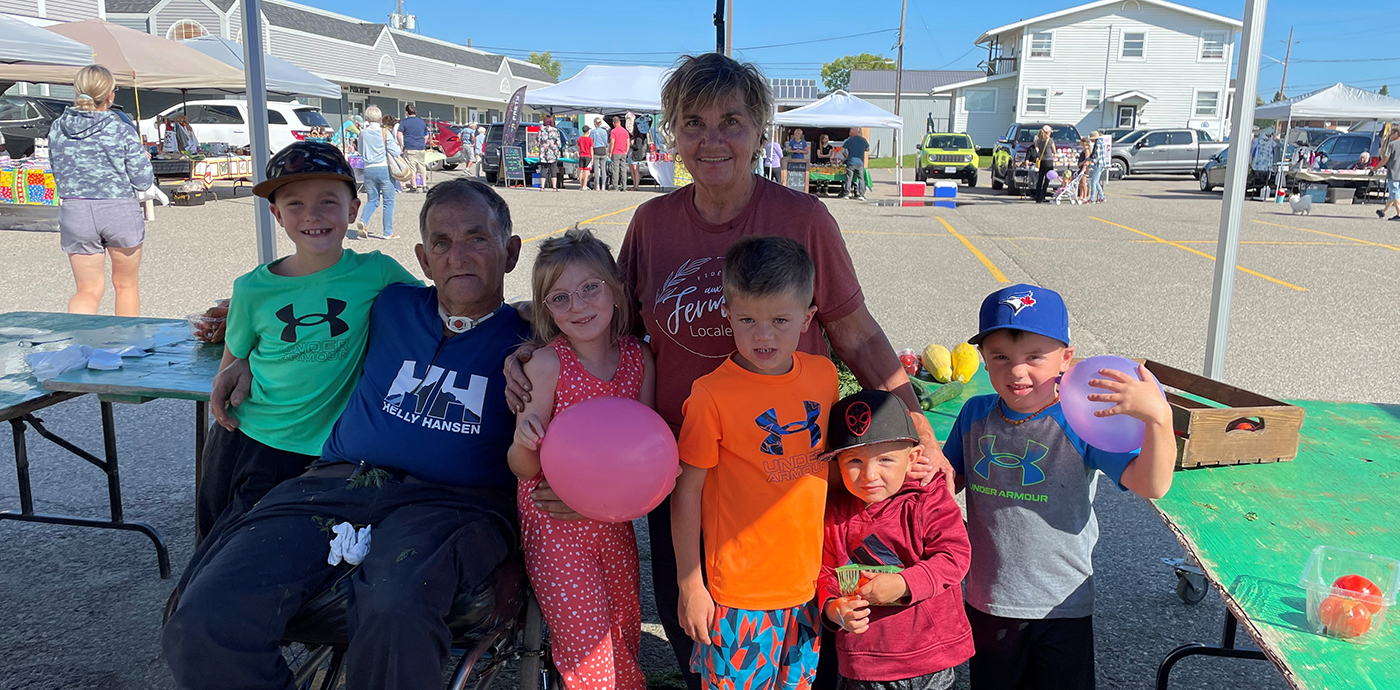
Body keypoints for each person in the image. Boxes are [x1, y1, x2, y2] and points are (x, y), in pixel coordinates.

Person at [503, 54, 953, 690]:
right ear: (673, 134)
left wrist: (919, 428)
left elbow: (856, 332)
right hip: (679, 468)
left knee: (802, 626)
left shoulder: (802, 219)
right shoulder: (653, 224)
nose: (712, 139)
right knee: (700, 632)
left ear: (760, 131)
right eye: (693, 122)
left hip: (784, 468)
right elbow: (610, 321)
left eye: (731, 121)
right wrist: (530, 345)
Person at [163, 179, 532, 690]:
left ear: (510, 252)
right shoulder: (389, 304)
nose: (458, 256)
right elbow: (297, 301)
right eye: (442, 244)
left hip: (454, 505)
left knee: (395, 607)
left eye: (478, 239)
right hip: (335, 484)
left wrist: (539, 321)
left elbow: (608, 327)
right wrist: (242, 355)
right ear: (424, 261)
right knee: (202, 613)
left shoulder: (535, 339)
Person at [943, 284, 1176, 690]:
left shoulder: (1082, 420)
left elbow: (1151, 484)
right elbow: (947, 483)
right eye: (1001, 357)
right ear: (983, 358)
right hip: (989, 600)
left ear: (1067, 358)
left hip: (1062, 604)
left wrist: (1158, 419)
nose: (1018, 371)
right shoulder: (975, 413)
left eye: (1035, 357)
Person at [192, 141, 419, 544]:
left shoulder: (378, 272)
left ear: (352, 209)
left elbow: (437, 310)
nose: (312, 216)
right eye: (294, 204)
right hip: (252, 439)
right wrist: (236, 369)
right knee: (227, 546)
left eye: (328, 202)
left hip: (332, 449)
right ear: (277, 215)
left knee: (306, 548)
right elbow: (232, 363)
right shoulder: (251, 289)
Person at [675, 236, 836, 690]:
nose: (763, 335)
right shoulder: (711, 396)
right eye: (747, 319)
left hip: (805, 587)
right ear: (728, 314)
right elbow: (685, 493)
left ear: (807, 319)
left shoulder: (823, 377)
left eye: (779, 320)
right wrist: (691, 584)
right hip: (737, 596)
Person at [509, 227, 654, 690]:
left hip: (613, 521)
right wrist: (524, 442)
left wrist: (616, 501)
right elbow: (524, 469)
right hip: (555, 526)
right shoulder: (547, 365)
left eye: (591, 288)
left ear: (614, 287)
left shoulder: (639, 358)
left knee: (624, 631)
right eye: (560, 298)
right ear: (545, 308)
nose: (580, 306)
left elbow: (647, 449)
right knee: (585, 648)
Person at [819, 389, 974, 690]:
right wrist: (833, 608)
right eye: (854, 461)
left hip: (928, 658)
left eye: (886, 459)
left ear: (913, 457)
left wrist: (903, 585)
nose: (869, 475)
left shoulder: (927, 497)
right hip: (862, 661)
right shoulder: (834, 512)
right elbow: (824, 572)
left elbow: (955, 555)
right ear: (836, 464)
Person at [47, 64, 156, 317]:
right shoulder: (120, 129)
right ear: (110, 95)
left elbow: (55, 170)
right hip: (118, 210)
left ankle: (81, 347)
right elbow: (142, 180)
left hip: (76, 210)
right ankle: (126, 349)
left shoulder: (57, 128)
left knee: (87, 289)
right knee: (126, 286)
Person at [355, 105, 400, 240]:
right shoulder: (384, 132)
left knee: (372, 200)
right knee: (388, 201)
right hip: (384, 168)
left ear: (367, 118)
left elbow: (360, 150)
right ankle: (387, 232)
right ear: (380, 119)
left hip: (368, 169)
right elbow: (396, 151)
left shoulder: (363, 133)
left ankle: (363, 221)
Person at [399, 103, 430, 192]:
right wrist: (423, 142)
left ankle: (414, 186)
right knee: (422, 166)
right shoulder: (422, 122)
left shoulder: (404, 122)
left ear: (406, 112)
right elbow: (426, 135)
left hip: (410, 147)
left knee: (412, 167)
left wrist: (401, 145)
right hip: (420, 147)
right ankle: (424, 185)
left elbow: (399, 134)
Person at [1375, 127, 1400, 220]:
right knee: (1393, 194)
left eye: (1392, 133)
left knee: (1395, 192)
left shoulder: (1392, 145)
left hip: (1394, 172)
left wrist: (1375, 168)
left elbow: (1385, 160)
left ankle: (1399, 214)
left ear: (1397, 134)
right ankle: (1383, 211)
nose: (1390, 135)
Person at [1027, 125, 1056, 203]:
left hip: (1042, 161)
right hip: (1049, 161)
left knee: (1040, 179)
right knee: (1047, 179)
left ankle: (1038, 197)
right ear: (1048, 132)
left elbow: (1037, 149)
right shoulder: (1050, 140)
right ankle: (1043, 196)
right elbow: (1054, 151)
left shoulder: (1038, 141)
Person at [536, 115, 563, 192]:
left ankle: (542, 187)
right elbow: (559, 143)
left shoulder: (541, 130)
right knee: (553, 168)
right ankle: (554, 187)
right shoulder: (555, 130)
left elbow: (538, 142)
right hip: (553, 152)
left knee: (544, 169)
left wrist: (541, 147)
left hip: (543, 152)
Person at [842, 127, 869, 201]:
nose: (849, 133)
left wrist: (846, 155)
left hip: (851, 162)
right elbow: (867, 149)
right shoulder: (863, 140)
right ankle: (862, 195)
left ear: (853, 132)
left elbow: (842, 149)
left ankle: (847, 194)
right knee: (861, 178)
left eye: (850, 132)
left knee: (849, 178)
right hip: (860, 162)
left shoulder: (849, 140)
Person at [609, 114, 629, 191]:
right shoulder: (625, 131)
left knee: (615, 170)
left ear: (614, 123)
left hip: (616, 152)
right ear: (620, 122)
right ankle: (624, 186)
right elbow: (628, 142)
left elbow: (612, 142)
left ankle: (615, 186)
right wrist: (626, 151)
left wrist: (610, 152)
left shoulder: (613, 131)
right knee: (623, 170)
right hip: (623, 152)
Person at [590, 117, 611, 190]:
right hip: (603, 150)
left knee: (596, 169)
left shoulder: (593, 132)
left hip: (596, 150)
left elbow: (591, 142)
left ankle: (597, 186)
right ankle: (603, 186)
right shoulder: (604, 131)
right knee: (603, 169)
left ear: (595, 123)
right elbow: (606, 142)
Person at [1088, 131, 1108, 204]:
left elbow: (1098, 157)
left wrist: (1091, 161)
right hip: (1099, 164)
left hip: (1099, 164)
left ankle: (1092, 198)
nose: (1090, 140)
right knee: (1095, 181)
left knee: (1093, 181)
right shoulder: (1098, 143)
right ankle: (1102, 196)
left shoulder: (1098, 145)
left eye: (1091, 139)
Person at [629, 123, 648, 191]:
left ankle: (636, 185)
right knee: (632, 171)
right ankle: (634, 185)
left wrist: (629, 145)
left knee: (635, 170)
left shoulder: (639, 137)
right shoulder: (632, 137)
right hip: (630, 156)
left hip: (636, 156)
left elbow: (638, 146)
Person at [577, 125, 594, 191]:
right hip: (588, 156)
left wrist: (579, 153)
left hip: (581, 155)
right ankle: (584, 186)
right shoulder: (590, 139)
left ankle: (581, 185)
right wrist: (592, 157)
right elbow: (591, 149)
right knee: (586, 171)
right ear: (588, 131)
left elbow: (578, 148)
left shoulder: (579, 139)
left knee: (581, 171)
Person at [1077, 136, 1092, 203]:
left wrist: (1082, 165)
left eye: (1081, 142)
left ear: (1084, 143)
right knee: (1080, 183)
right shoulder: (1083, 150)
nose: (1080, 143)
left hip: (1084, 168)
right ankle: (1081, 196)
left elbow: (1087, 160)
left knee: (1083, 183)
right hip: (1081, 167)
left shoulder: (1087, 150)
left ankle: (1085, 196)